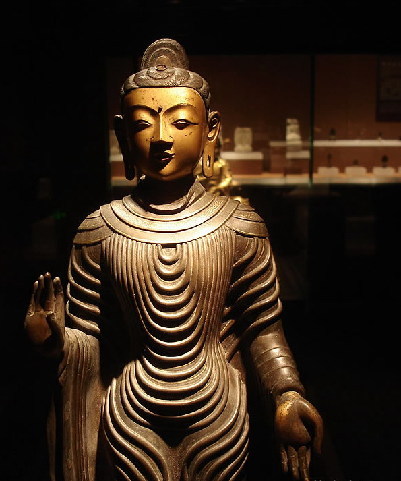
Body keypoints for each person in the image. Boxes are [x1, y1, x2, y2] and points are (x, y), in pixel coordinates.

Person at [25, 38, 323, 481]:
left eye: (182, 122)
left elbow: (262, 329)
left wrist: (286, 393)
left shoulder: (240, 226)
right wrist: (55, 341)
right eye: (143, 124)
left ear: (211, 130)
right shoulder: (99, 230)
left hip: (222, 417)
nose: (162, 137)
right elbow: (90, 338)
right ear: (122, 135)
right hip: (128, 418)